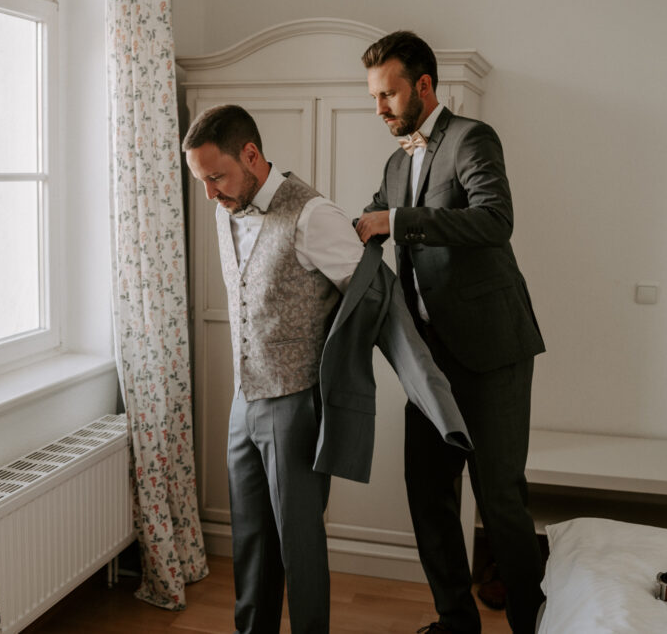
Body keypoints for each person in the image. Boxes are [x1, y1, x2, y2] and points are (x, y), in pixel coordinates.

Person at [355, 31, 546, 634]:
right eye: (374, 96)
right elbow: (369, 228)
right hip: (427, 363)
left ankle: (525, 624)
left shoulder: (471, 139)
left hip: (491, 354)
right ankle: (456, 623)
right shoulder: (393, 162)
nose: (379, 107)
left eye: (388, 94)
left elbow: (495, 219)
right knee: (428, 496)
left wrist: (399, 219)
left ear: (425, 86)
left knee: (500, 503)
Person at [183, 104, 366, 634]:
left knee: (299, 543)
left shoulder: (314, 215)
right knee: (251, 540)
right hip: (245, 399)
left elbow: (367, 301)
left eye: (216, 176)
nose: (211, 193)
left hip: (295, 401)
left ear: (251, 154)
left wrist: (339, 387)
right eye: (202, 181)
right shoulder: (223, 210)